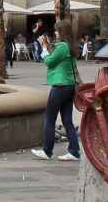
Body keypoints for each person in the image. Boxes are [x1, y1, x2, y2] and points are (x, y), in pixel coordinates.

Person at [31, 19, 80, 161]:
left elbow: (49, 62)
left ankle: (47, 151)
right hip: (69, 85)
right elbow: (56, 56)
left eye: (57, 30)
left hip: (60, 85)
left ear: (62, 32)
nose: (55, 32)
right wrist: (47, 45)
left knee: (49, 118)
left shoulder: (63, 47)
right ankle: (74, 151)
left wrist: (44, 48)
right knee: (67, 120)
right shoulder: (69, 46)